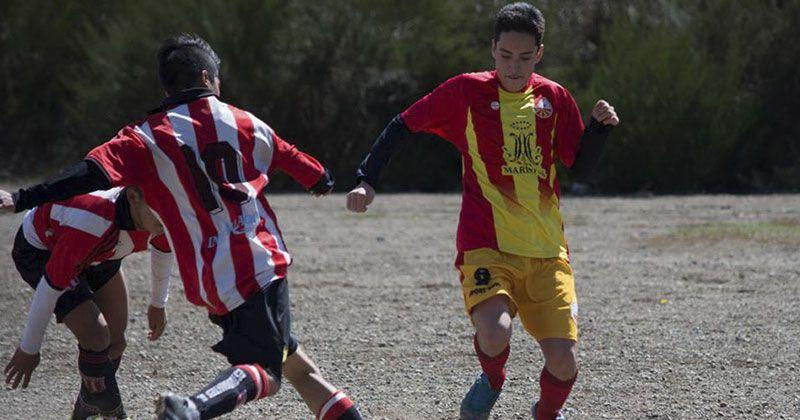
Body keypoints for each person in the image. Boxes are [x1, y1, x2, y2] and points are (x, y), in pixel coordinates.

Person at [0, 34, 362, 420]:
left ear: (167, 86)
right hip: (256, 261)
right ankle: (191, 408)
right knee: (268, 374)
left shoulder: (144, 135)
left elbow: (87, 174)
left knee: (300, 369)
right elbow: (313, 172)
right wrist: (323, 179)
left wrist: (23, 197)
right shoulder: (245, 122)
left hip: (208, 278)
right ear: (208, 78)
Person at [345, 3, 619, 419]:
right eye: (506, 55)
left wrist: (599, 131)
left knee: (564, 362)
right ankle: (492, 380)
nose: (514, 66)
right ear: (493, 49)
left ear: (539, 53)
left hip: (547, 251)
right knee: (494, 332)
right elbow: (402, 124)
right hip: (485, 243)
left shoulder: (554, 98)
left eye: (525, 58)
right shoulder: (466, 92)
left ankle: (545, 414)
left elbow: (578, 164)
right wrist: (367, 178)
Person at [4, 186, 172, 419]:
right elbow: (49, 289)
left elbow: (164, 249)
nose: (170, 218)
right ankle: (113, 411)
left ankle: (88, 404)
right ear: (133, 197)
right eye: (161, 210)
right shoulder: (93, 222)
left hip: (103, 252)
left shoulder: (159, 217)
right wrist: (29, 348)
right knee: (96, 336)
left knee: (115, 342)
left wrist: (158, 303)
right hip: (45, 251)